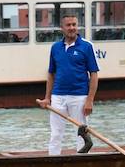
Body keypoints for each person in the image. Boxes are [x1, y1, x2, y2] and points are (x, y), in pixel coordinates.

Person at [36, 13, 99, 155]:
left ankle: (82, 161)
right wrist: (47, 98)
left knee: (82, 133)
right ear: (62, 28)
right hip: (58, 96)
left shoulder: (87, 46)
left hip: (80, 96)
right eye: (68, 25)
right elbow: (51, 73)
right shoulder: (55, 48)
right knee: (56, 133)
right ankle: (53, 160)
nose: (72, 28)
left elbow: (94, 74)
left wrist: (90, 100)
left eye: (74, 25)